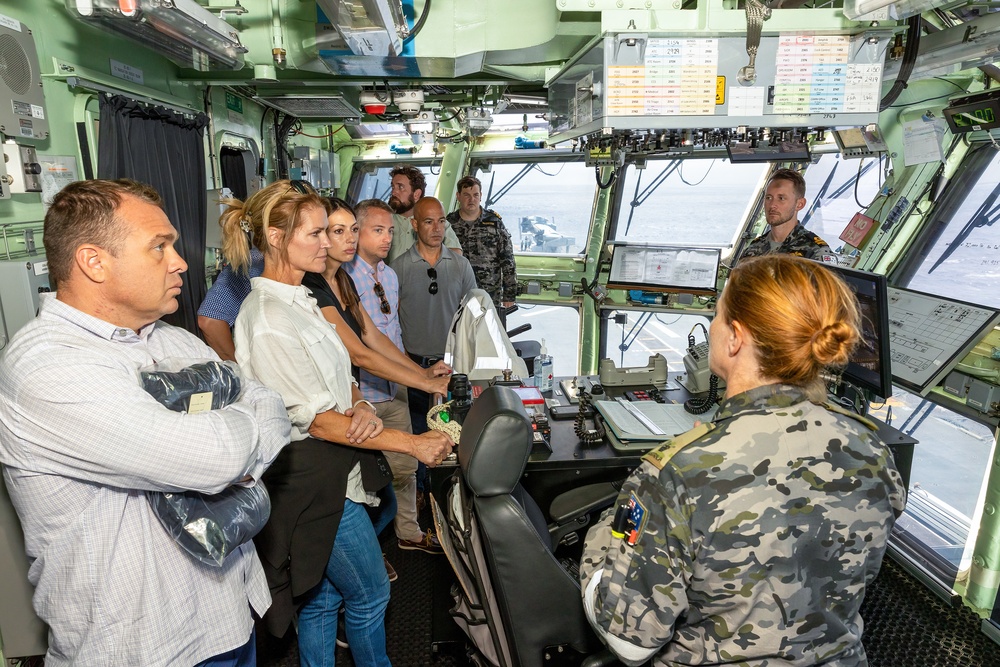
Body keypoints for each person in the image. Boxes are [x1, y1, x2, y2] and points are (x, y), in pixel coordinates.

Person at [0, 179, 291, 666]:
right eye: (159, 247)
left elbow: (271, 404)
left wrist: (230, 440)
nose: (179, 262)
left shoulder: (169, 340)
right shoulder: (46, 365)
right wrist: (234, 445)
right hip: (142, 646)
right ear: (94, 262)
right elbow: (212, 458)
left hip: (228, 617)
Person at [580, 254, 906, 666]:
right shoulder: (873, 451)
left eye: (717, 315)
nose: (712, 326)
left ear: (735, 337)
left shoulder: (681, 471)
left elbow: (629, 642)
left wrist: (604, 541)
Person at [222, 180, 454, 666]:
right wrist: (412, 444)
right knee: (370, 596)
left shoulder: (299, 299)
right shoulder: (265, 318)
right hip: (313, 483)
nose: (328, 244)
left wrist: (361, 402)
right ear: (277, 237)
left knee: (323, 600)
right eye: (316, 234)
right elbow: (318, 422)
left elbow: (342, 369)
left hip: (337, 470)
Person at [341, 198, 449, 553]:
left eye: (390, 230)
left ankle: (408, 532)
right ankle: (369, 551)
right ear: (356, 234)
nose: (386, 238)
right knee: (367, 481)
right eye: (377, 230)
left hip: (395, 390)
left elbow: (392, 337)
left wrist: (419, 372)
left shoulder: (389, 275)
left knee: (404, 468)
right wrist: (423, 379)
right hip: (362, 399)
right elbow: (364, 349)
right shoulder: (344, 279)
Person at [197, 180, 317, 360]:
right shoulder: (251, 265)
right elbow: (210, 320)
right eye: (314, 232)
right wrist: (243, 372)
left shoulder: (314, 263)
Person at [391, 196, 477, 436]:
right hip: (413, 368)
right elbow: (390, 322)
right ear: (415, 225)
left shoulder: (461, 266)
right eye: (429, 222)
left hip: (454, 367)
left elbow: (473, 319)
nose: (437, 228)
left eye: (441, 221)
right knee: (418, 435)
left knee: (456, 434)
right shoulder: (397, 269)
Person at [446, 175, 517, 318]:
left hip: (489, 294)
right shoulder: (448, 223)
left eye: (475, 195)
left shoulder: (494, 222)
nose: (471, 199)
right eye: (466, 195)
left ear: (481, 196)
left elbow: (507, 259)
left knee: (488, 336)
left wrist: (509, 294)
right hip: (456, 294)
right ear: (458, 196)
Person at [739, 168, 836, 263]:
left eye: (781, 198)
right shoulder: (753, 249)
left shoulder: (816, 252)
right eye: (768, 198)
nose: (772, 205)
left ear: (800, 204)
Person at [386, 165, 462, 262]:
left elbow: (456, 254)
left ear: (416, 194)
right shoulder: (384, 222)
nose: (394, 192)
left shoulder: (438, 222)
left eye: (400, 187)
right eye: (393, 186)